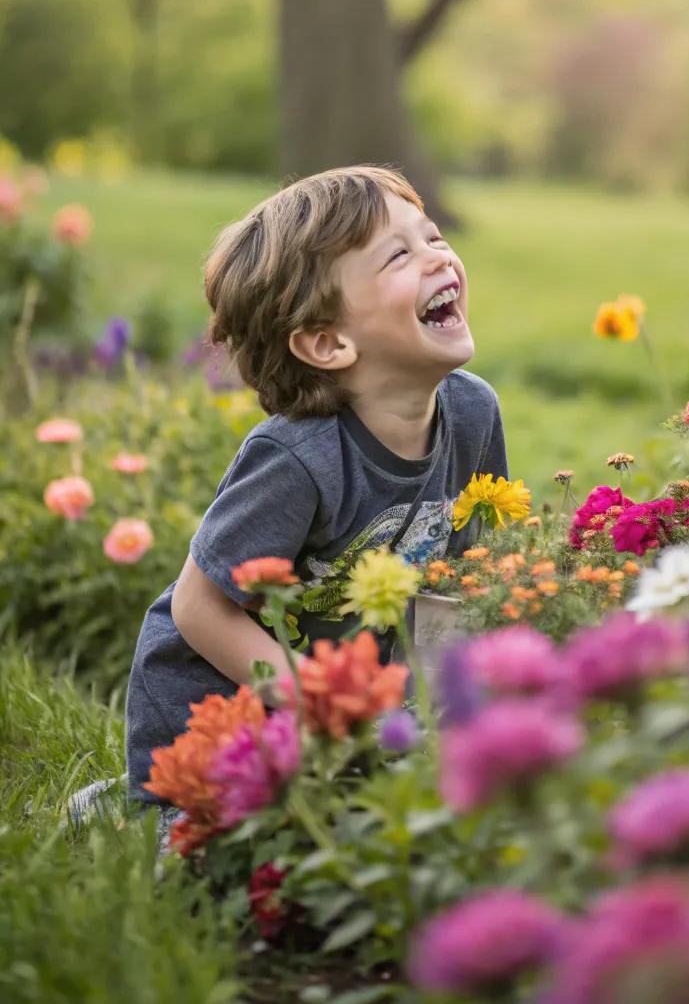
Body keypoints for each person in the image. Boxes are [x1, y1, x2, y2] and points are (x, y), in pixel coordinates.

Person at [124, 164, 508, 807]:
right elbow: (198, 607)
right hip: (219, 707)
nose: (439, 257)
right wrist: (311, 695)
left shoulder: (472, 414)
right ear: (328, 342)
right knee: (239, 863)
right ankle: (135, 809)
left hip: (349, 714)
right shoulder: (297, 459)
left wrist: (453, 710)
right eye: (400, 255)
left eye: (434, 236)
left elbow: (462, 577)